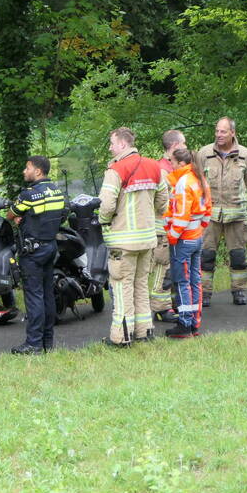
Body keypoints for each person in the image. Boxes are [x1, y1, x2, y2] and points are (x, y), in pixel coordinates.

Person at [98, 128, 169, 346]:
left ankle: (121, 337)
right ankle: (144, 331)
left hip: (123, 241)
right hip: (148, 238)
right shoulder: (154, 167)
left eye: (111, 143)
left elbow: (107, 205)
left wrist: (103, 220)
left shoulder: (116, 170)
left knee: (122, 286)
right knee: (140, 285)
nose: (110, 147)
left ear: (122, 144)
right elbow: (163, 201)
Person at [6, 156, 66, 355]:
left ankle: (33, 343)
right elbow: (62, 214)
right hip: (50, 247)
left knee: (34, 297)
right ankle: (47, 341)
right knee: (47, 295)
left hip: (32, 252)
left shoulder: (29, 194)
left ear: (38, 171)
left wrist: (20, 218)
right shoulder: (56, 191)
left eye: (27, 167)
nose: (25, 171)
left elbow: (10, 214)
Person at [196, 117, 247, 307]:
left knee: (238, 256)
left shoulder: (245, 155)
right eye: (217, 131)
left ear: (232, 133)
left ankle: (239, 290)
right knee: (206, 256)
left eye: (223, 131)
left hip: (236, 214)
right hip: (209, 215)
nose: (219, 135)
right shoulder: (204, 154)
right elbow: (196, 182)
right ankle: (204, 293)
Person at [164, 149, 211, 338]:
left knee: (182, 282)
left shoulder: (184, 182)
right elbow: (208, 208)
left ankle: (184, 324)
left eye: (173, 163)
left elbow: (181, 215)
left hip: (184, 239)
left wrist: (172, 236)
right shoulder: (199, 178)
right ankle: (194, 322)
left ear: (181, 164)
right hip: (197, 236)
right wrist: (201, 226)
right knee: (195, 280)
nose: (171, 166)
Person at [152, 129, 186, 322]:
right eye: (183, 144)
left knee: (167, 269)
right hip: (164, 228)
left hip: (168, 226)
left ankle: (168, 305)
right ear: (174, 146)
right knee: (163, 269)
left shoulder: (165, 167)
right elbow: (166, 202)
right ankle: (161, 308)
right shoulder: (164, 170)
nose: (186, 148)